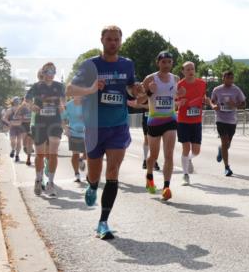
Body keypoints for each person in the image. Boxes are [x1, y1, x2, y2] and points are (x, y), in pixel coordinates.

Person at [67, 25, 146, 239]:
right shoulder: (90, 65)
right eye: (109, 39)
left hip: (118, 126)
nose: (113, 43)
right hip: (94, 127)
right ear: (102, 40)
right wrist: (91, 89)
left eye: (116, 39)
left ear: (121, 41)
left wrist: (136, 89)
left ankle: (103, 222)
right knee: (95, 175)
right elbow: (70, 90)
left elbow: (129, 87)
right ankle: (92, 186)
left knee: (112, 171)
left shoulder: (127, 64)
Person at [142, 52, 178, 200]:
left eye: (169, 62)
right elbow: (141, 100)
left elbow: (175, 97)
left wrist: (180, 96)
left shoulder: (176, 79)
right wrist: (150, 90)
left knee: (169, 154)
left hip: (170, 119)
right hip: (154, 121)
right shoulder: (150, 78)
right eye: (164, 62)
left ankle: (166, 187)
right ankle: (149, 176)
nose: (167, 65)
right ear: (158, 63)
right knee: (154, 156)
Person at [26, 62, 65, 197]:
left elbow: (63, 100)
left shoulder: (59, 86)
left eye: (53, 71)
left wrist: (62, 106)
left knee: (53, 153)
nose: (50, 74)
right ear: (43, 72)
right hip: (40, 123)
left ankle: (51, 183)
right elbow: (27, 100)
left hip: (55, 122)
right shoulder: (36, 87)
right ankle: (38, 179)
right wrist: (32, 106)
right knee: (40, 155)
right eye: (48, 71)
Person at [175, 61, 210, 186]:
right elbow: (174, 102)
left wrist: (205, 101)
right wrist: (180, 103)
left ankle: (189, 159)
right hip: (183, 120)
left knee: (196, 151)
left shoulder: (201, 83)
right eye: (187, 69)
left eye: (192, 69)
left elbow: (203, 97)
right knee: (186, 147)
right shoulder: (179, 85)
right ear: (183, 71)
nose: (190, 71)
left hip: (196, 120)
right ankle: (185, 175)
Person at [210, 70, 246, 176]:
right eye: (228, 78)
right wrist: (214, 106)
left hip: (232, 120)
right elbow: (212, 101)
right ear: (223, 78)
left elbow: (244, 104)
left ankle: (221, 149)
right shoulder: (217, 90)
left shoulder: (236, 90)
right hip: (220, 119)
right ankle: (227, 167)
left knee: (227, 144)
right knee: (225, 142)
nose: (230, 80)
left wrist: (234, 104)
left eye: (232, 78)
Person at [63, 93, 87, 183]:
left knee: (87, 154)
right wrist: (66, 129)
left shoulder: (87, 104)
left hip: (87, 133)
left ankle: (81, 159)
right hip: (73, 132)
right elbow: (62, 119)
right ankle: (77, 174)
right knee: (75, 154)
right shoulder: (68, 105)